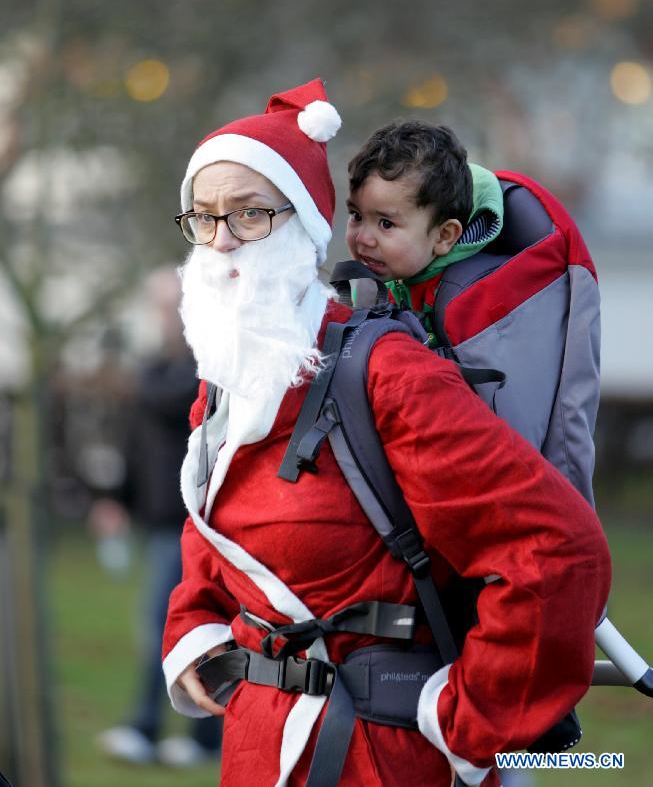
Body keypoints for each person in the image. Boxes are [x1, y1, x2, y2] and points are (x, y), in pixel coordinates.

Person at [162, 78, 611, 787]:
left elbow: (555, 550)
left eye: (249, 214)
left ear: (303, 223)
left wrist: (469, 720)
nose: (220, 241)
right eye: (202, 216)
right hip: (255, 743)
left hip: (379, 756)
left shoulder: (388, 372)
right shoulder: (228, 373)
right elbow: (211, 519)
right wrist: (194, 631)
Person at [96, 268, 222, 767]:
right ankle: (194, 735)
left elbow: (169, 401)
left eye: (170, 307)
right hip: (156, 518)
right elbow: (133, 442)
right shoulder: (155, 368)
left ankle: (163, 730)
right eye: (157, 308)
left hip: (190, 519)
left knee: (171, 622)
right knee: (169, 622)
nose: (162, 318)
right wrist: (116, 498)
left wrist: (139, 380)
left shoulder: (202, 364)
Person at [345, 120, 503, 340]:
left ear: (444, 236)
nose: (363, 239)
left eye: (386, 224)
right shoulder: (370, 285)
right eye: (357, 216)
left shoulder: (474, 301)